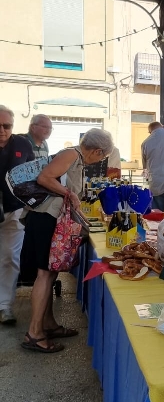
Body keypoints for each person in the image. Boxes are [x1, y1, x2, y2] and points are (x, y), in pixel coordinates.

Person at [19, 128, 113, 354]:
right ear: (97, 151)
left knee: (50, 273)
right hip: (45, 218)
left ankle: (48, 324)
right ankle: (34, 333)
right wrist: (68, 193)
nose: (100, 161)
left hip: (47, 218)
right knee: (45, 274)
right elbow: (45, 177)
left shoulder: (76, 158)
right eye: (102, 157)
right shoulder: (71, 155)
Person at [0, 105, 34, 324]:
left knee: (10, 259)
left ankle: (4, 306)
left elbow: (32, 173)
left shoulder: (23, 143)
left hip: (14, 210)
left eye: (7, 126)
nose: (2, 130)